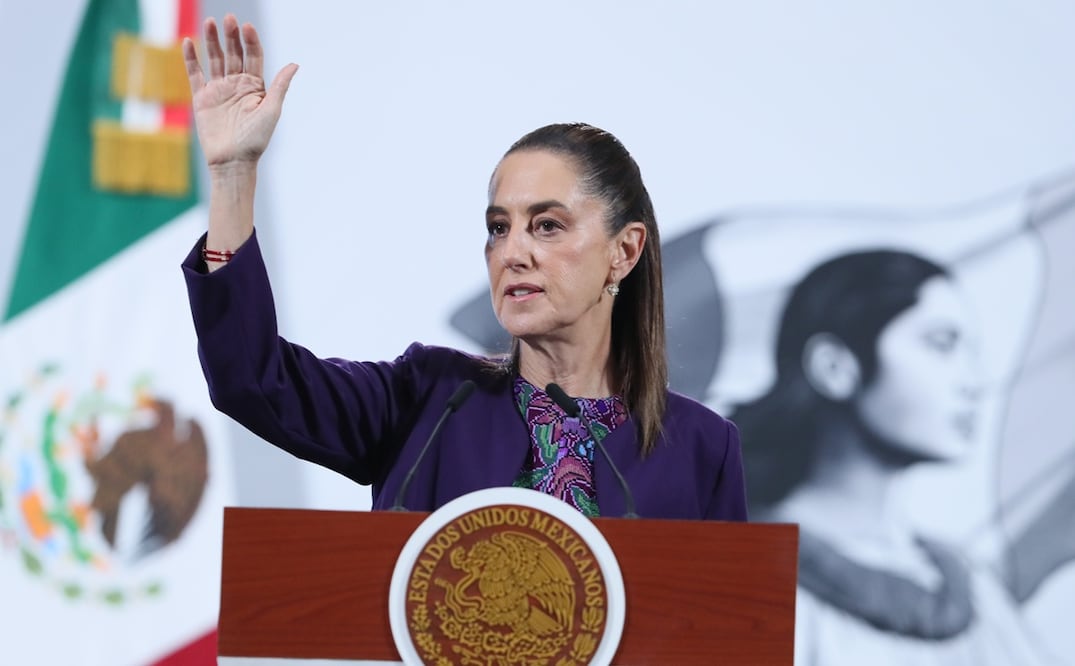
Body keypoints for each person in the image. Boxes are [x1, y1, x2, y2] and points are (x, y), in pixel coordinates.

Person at [179, 15, 747, 521]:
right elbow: (252, 380)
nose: (513, 252)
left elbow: (728, 633)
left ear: (624, 251)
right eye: (499, 227)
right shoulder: (428, 400)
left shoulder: (701, 449)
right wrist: (233, 178)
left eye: (547, 225)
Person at [734, 249, 1066, 665]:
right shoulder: (744, 579)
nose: (974, 381)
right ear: (835, 367)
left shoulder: (973, 590)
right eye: (941, 344)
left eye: (970, 352)